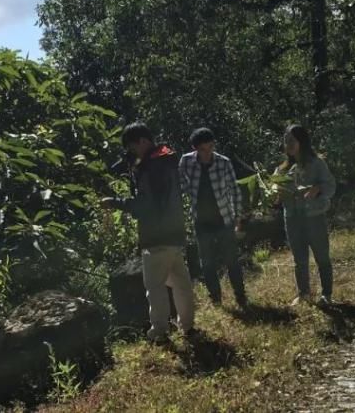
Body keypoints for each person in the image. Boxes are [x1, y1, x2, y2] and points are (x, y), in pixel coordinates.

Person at [102, 122, 196, 342]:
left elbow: (145, 205)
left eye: (133, 148)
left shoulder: (149, 168)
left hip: (155, 236)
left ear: (143, 141)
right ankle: (188, 326)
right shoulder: (167, 160)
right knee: (181, 283)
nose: (133, 153)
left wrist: (115, 202)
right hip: (174, 232)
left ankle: (160, 332)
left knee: (155, 288)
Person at [178, 128, 248, 308]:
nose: (208, 152)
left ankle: (241, 297)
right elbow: (181, 184)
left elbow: (234, 190)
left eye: (210, 147)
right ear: (195, 149)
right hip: (201, 221)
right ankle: (216, 298)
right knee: (207, 263)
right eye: (203, 149)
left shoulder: (223, 162)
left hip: (224, 219)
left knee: (232, 260)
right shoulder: (186, 162)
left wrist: (238, 217)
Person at [274, 124, 337, 306]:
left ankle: (327, 294)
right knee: (299, 259)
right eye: (286, 141)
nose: (289, 145)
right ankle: (303, 294)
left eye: (292, 141)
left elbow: (331, 186)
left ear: (302, 141)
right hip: (293, 219)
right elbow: (277, 197)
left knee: (322, 257)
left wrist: (317, 188)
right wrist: (275, 196)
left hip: (314, 217)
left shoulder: (317, 164)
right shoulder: (281, 170)